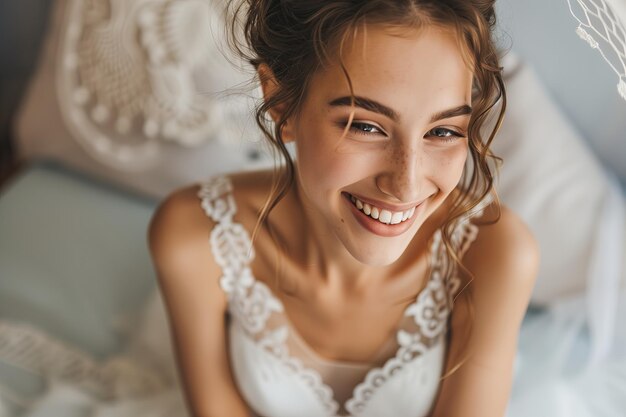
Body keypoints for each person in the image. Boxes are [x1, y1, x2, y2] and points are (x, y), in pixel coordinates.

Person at [147, 1, 539, 416]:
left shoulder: (496, 253)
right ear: (280, 100)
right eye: (365, 126)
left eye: (442, 131)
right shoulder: (194, 236)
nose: (405, 184)